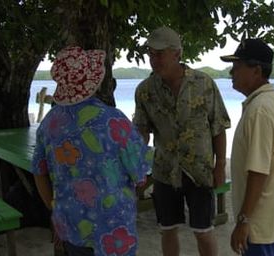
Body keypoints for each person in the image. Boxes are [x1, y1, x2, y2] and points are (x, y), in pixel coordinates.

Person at [31, 46, 151, 256]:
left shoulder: (49, 124)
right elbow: (140, 173)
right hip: (114, 229)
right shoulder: (114, 121)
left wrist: (54, 209)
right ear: (94, 81)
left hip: (69, 226)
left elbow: (39, 172)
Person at [133, 26, 231, 256]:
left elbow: (218, 128)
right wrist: (133, 161)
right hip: (164, 171)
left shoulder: (204, 84)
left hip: (199, 171)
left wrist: (220, 167)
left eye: (159, 54)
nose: (153, 59)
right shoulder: (145, 90)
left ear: (177, 54)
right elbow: (142, 132)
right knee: (167, 229)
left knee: (203, 230)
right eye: (150, 54)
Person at [220, 39, 274, 256]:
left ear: (256, 71)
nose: (231, 72)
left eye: (237, 66)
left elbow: (258, 171)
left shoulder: (260, 110)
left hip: (261, 225)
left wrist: (243, 221)